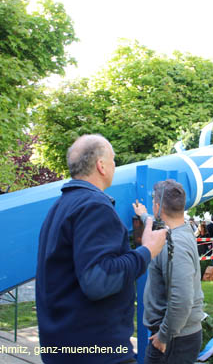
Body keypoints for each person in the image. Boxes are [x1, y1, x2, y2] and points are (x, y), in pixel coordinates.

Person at [36, 134, 167, 364]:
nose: (116, 165)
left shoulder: (60, 207)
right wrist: (147, 251)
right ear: (101, 166)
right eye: (113, 159)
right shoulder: (95, 207)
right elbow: (99, 280)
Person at [133, 179, 205, 364]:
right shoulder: (181, 230)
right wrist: (145, 217)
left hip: (173, 340)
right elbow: (161, 226)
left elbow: (181, 300)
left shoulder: (175, 246)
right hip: (178, 336)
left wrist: (163, 336)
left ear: (157, 206)